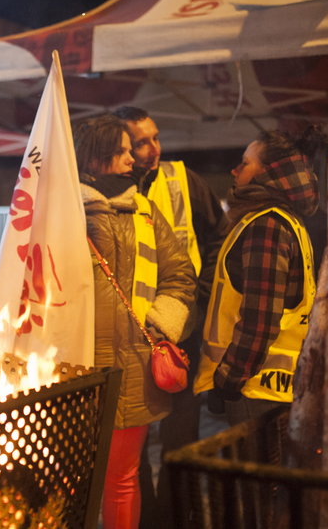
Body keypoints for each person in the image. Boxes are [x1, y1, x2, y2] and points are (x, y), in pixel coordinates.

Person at [74, 114, 197, 529]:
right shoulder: (58, 209)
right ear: (96, 156)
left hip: (131, 367)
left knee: (122, 480)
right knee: (72, 479)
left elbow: (180, 275)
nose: (132, 158)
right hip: (72, 367)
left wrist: (160, 326)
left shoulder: (143, 210)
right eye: (123, 150)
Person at [112, 106, 228, 522]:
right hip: (132, 334)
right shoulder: (111, 191)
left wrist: (197, 295)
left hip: (181, 334)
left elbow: (218, 236)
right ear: (122, 146)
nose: (152, 149)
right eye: (140, 142)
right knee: (134, 444)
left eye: (155, 138)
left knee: (180, 436)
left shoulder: (183, 180)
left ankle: (178, 519)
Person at [194, 126, 323, 425]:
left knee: (259, 470)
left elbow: (260, 320)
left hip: (253, 390)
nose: (235, 170)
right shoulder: (287, 220)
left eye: (246, 163)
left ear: (270, 174)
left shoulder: (266, 225)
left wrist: (227, 380)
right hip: (276, 386)